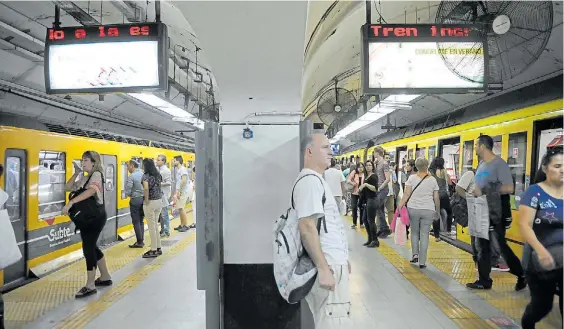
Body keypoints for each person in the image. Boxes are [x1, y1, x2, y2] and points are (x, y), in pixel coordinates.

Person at [295, 133, 352, 328]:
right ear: (309, 152)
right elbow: (307, 226)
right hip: (328, 263)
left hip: (333, 261)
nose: (331, 151)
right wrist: (323, 268)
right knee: (334, 321)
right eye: (325, 148)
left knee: (334, 318)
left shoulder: (317, 180)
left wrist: (343, 258)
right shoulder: (310, 181)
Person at [466, 135, 526, 291]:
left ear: (483, 146)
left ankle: (521, 274)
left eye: (476, 145)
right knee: (482, 247)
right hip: (482, 211)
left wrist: (485, 190)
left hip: (496, 213)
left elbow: (509, 188)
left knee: (501, 247)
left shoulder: (499, 165)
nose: (475, 149)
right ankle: (484, 280)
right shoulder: (481, 165)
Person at [519, 147, 563, 329]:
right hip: (540, 261)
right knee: (542, 306)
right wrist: (541, 250)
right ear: (545, 168)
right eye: (558, 166)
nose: (562, 170)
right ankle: (528, 322)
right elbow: (524, 225)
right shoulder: (534, 192)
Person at [63, 151, 112, 298]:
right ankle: (105, 276)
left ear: (93, 162)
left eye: (85, 160)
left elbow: (91, 191)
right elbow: (67, 187)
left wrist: (71, 202)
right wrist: (77, 173)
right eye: (82, 160)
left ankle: (90, 285)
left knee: (88, 248)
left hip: (94, 218)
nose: (83, 163)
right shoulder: (85, 177)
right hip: (88, 218)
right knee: (92, 246)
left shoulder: (96, 174)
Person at [456, 169, 507, 272]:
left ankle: (483, 262)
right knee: (479, 237)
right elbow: (458, 188)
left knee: (482, 237)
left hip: (485, 210)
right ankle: (484, 263)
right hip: (475, 209)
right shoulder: (471, 174)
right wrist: (470, 199)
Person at [396, 157, 440, 269]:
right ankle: (422, 262)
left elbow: (406, 194)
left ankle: (414, 254)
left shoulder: (411, 178)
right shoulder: (433, 180)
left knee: (414, 232)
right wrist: (437, 212)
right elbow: (436, 198)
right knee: (424, 234)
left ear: (416, 166)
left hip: (413, 209)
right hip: (428, 209)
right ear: (427, 166)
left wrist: (400, 206)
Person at [141, 158, 163, 258]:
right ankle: (158, 248)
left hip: (151, 202)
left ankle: (153, 250)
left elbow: (146, 189)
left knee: (151, 226)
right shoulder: (158, 174)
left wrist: (146, 201)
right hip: (159, 201)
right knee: (155, 226)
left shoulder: (146, 176)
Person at [359, 160, 380, 248]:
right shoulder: (367, 176)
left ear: (372, 167)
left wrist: (366, 185)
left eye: (370, 165)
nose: (368, 167)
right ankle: (370, 238)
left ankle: (375, 240)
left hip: (372, 200)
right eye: (366, 165)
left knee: (371, 221)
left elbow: (375, 189)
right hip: (368, 200)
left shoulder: (373, 176)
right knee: (365, 219)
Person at [125, 159, 145, 248]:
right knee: (141, 220)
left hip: (135, 200)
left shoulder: (132, 176)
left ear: (132, 166)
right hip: (143, 199)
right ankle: (142, 240)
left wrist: (130, 194)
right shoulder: (143, 174)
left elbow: (128, 191)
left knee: (136, 221)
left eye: (128, 166)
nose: (127, 168)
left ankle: (139, 242)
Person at [372, 146, 391, 238]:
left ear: (377, 153)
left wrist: (380, 188)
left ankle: (385, 229)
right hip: (378, 189)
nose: (373, 154)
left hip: (383, 189)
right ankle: (383, 229)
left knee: (377, 207)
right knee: (380, 209)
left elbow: (387, 179)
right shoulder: (378, 163)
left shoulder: (384, 163)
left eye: (374, 152)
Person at [172, 156, 190, 232]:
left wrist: (178, 191)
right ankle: (182, 224)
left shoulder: (183, 169)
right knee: (180, 208)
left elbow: (184, 181)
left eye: (174, 160)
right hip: (180, 191)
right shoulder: (179, 170)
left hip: (183, 192)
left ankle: (186, 225)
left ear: (178, 161)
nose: (172, 162)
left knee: (181, 208)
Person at [156, 155, 172, 237]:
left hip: (164, 195)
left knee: (164, 214)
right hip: (159, 194)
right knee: (161, 214)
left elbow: (169, 182)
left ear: (163, 161)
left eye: (158, 160)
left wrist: (159, 184)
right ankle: (162, 229)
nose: (157, 161)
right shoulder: (158, 170)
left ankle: (166, 230)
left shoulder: (166, 171)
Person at [348, 163, 365, 228]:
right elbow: (348, 180)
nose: (360, 168)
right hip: (354, 193)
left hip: (362, 193)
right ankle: (354, 223)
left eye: (362, 167)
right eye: (359, 167)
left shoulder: (365, 174)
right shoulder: (354, 173)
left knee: (362, 208)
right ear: (357, 168)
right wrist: (353, 183)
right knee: (354, 207)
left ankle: (361, 223)